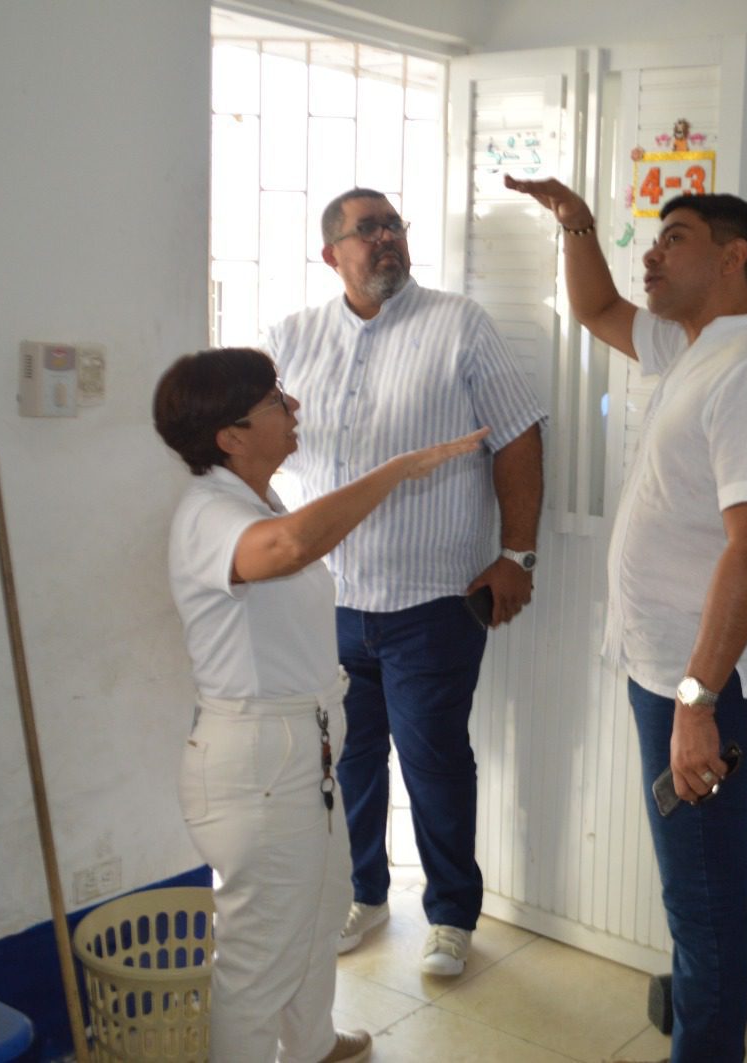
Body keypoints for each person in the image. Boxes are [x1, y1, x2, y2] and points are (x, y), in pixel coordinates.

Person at [507, 175, 747, 1063]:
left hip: (713, 683)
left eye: (674, 238)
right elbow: (596, 307)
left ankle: (706, 1042)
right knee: (701, 889)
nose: (651, 253)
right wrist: (577, 223)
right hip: (677, 672)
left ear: (732, 257)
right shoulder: (692, 347)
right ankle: (708, 1018)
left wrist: (696, 699)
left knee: (702, 902)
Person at [153, 347, 486, 1063]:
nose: (294, 407)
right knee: (258, 955)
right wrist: (395, 471)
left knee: (318, 909)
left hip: (304, 748)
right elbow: (291, 547)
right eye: (276, 400)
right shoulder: (209, 512)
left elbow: (292, 539)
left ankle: (310, 1043)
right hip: (256, 761)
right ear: (231, 436)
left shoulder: (257, 498)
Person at [265, 188, 547, 977]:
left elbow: (519, 436)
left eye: (394, 225)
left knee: (434, 762)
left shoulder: (459, 325)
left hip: (432, 600)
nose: (387, 237)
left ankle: (451, 913)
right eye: (369, 229)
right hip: (329, 600)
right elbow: (259, 444)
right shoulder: (292, 338)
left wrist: (517, 555)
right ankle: (362, 893)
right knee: (347, 761)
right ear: (333, 253)